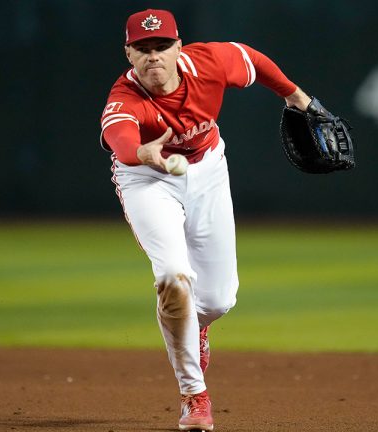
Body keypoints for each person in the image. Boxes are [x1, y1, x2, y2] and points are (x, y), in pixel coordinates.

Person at [99, 8, 312, 431]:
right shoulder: (124, 99)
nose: (153, 56)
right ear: (129, 53)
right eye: (143, 48)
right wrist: (141, 152)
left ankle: (194, 328)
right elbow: (119, 137)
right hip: (147, 180)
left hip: (208, 169)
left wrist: (295, 96)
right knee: (175, 278)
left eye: (162, 46)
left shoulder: (208, 63)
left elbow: (250, 59)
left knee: (217, 300)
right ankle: (194, 396)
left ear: (179, 47)